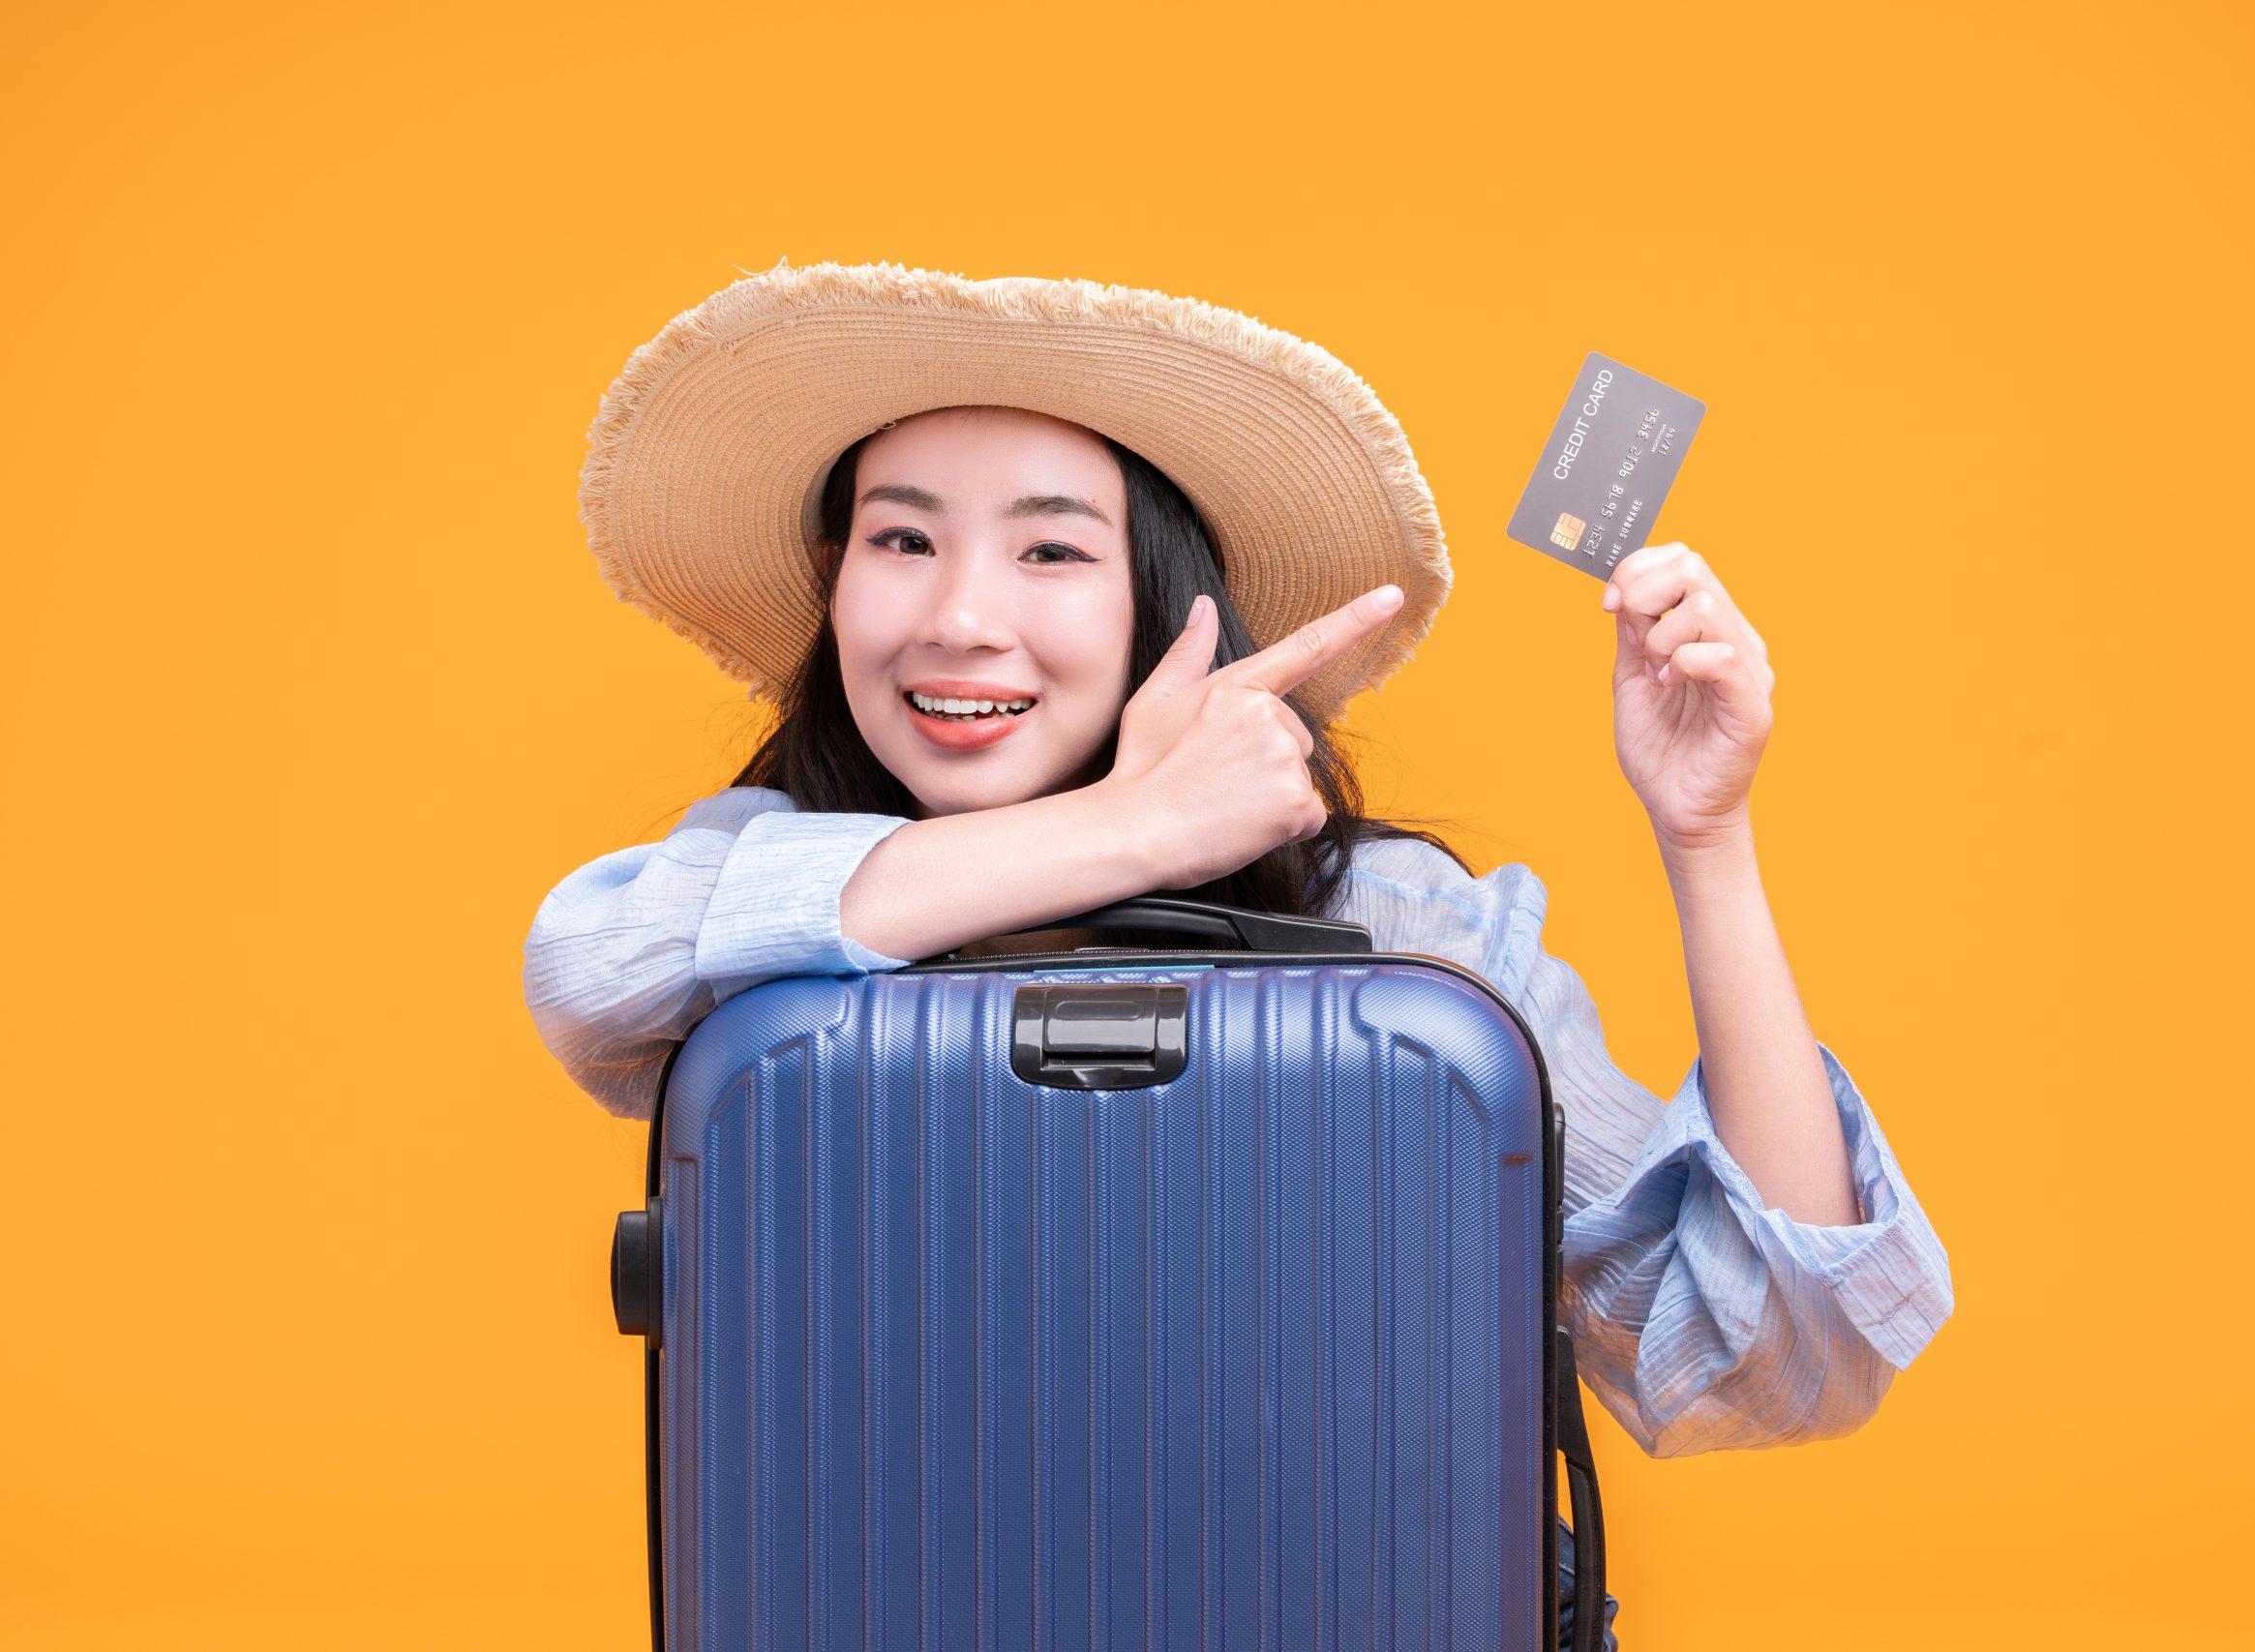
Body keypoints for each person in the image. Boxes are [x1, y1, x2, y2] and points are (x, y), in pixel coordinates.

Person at [524, 259, 1955, 1650]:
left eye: (1050, 549)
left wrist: (1706, 838)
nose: (959, 616)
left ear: (1167, 604)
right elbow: (589, 971)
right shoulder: (753, 876)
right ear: (836, 589)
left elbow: (1772, 1351)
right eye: (900, 540)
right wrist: (1130, 828)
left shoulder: (1398, 930)